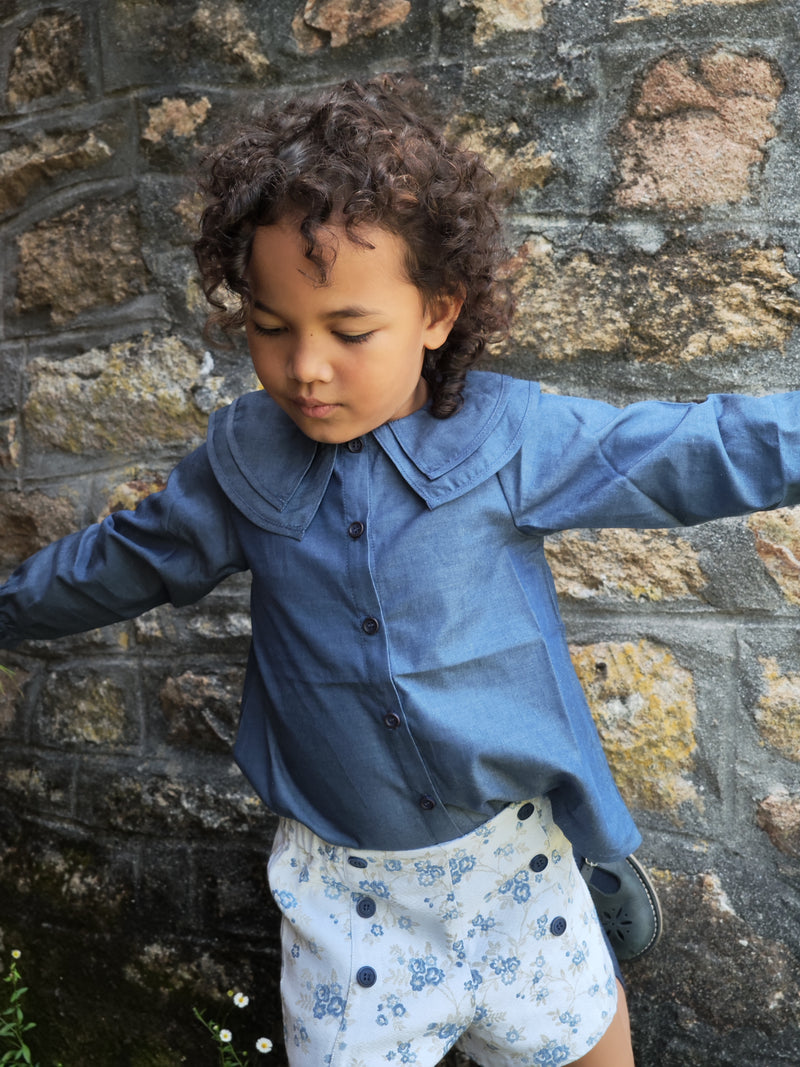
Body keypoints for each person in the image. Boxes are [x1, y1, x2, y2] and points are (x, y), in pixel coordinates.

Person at [1, 75, 798, 1067]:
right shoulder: (242, 461)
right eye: (268, 324)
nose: (304, 367)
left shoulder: (514, 439)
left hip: (518, 872)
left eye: (348, 329)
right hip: (347, 903)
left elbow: (694, 446)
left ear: (436, 310)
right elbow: (122, 560)